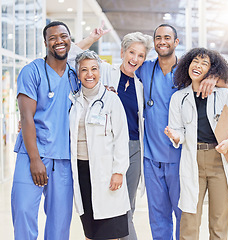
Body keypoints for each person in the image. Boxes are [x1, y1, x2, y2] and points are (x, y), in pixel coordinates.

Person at [135, 24, 228, 240]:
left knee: (186, 217)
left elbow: (227, 89)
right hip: (152, 158)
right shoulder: (145, 68)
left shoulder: (189, 70)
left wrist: (214, 78)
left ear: (176, 42)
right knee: (158, 217)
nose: (162, 41)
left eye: (167, 37)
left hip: (182, 157)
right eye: (158, 37)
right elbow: (122, 69)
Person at [71, 31, 153, 240]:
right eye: (131, 52)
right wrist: (91, 38)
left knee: (126, 207)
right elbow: (72, 57)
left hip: (132, 148)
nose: (135, 59)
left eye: (140, 55)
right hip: (104, 147)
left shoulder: (141, 86)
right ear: (122, 52)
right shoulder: (105, 70)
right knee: (107, 207)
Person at [164, 48, 228, 240]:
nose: (198, 66)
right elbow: (179, 131)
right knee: (189, 221)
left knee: (219, 222)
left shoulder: (223, 95)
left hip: (220, 161)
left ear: (212, 70)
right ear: (187, 65)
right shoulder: (179, 98)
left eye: (205, 63)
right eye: (195, 61)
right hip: (193, 161)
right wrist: (176, 137)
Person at [11, 21, 79, 240]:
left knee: (60, 223)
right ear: (45, 43)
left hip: (63, 158)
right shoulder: (32, 71)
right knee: (23, 211)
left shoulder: (75, 76)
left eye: (63, 36)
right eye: (53, 38)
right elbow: (26, 117)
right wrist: (34, 159)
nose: (59, 41)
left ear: (70, 40)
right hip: (32, 154)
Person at [69, 50, 130, 240]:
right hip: (81, 170)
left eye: (94, 69)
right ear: (78, 74)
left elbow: (121, 137)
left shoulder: (112, 100)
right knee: (90, 231)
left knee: (111, 231)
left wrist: (119, 171)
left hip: (107, 171)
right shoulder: (73, 100)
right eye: (84, 70)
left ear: (100, 71)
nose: (89, 74)